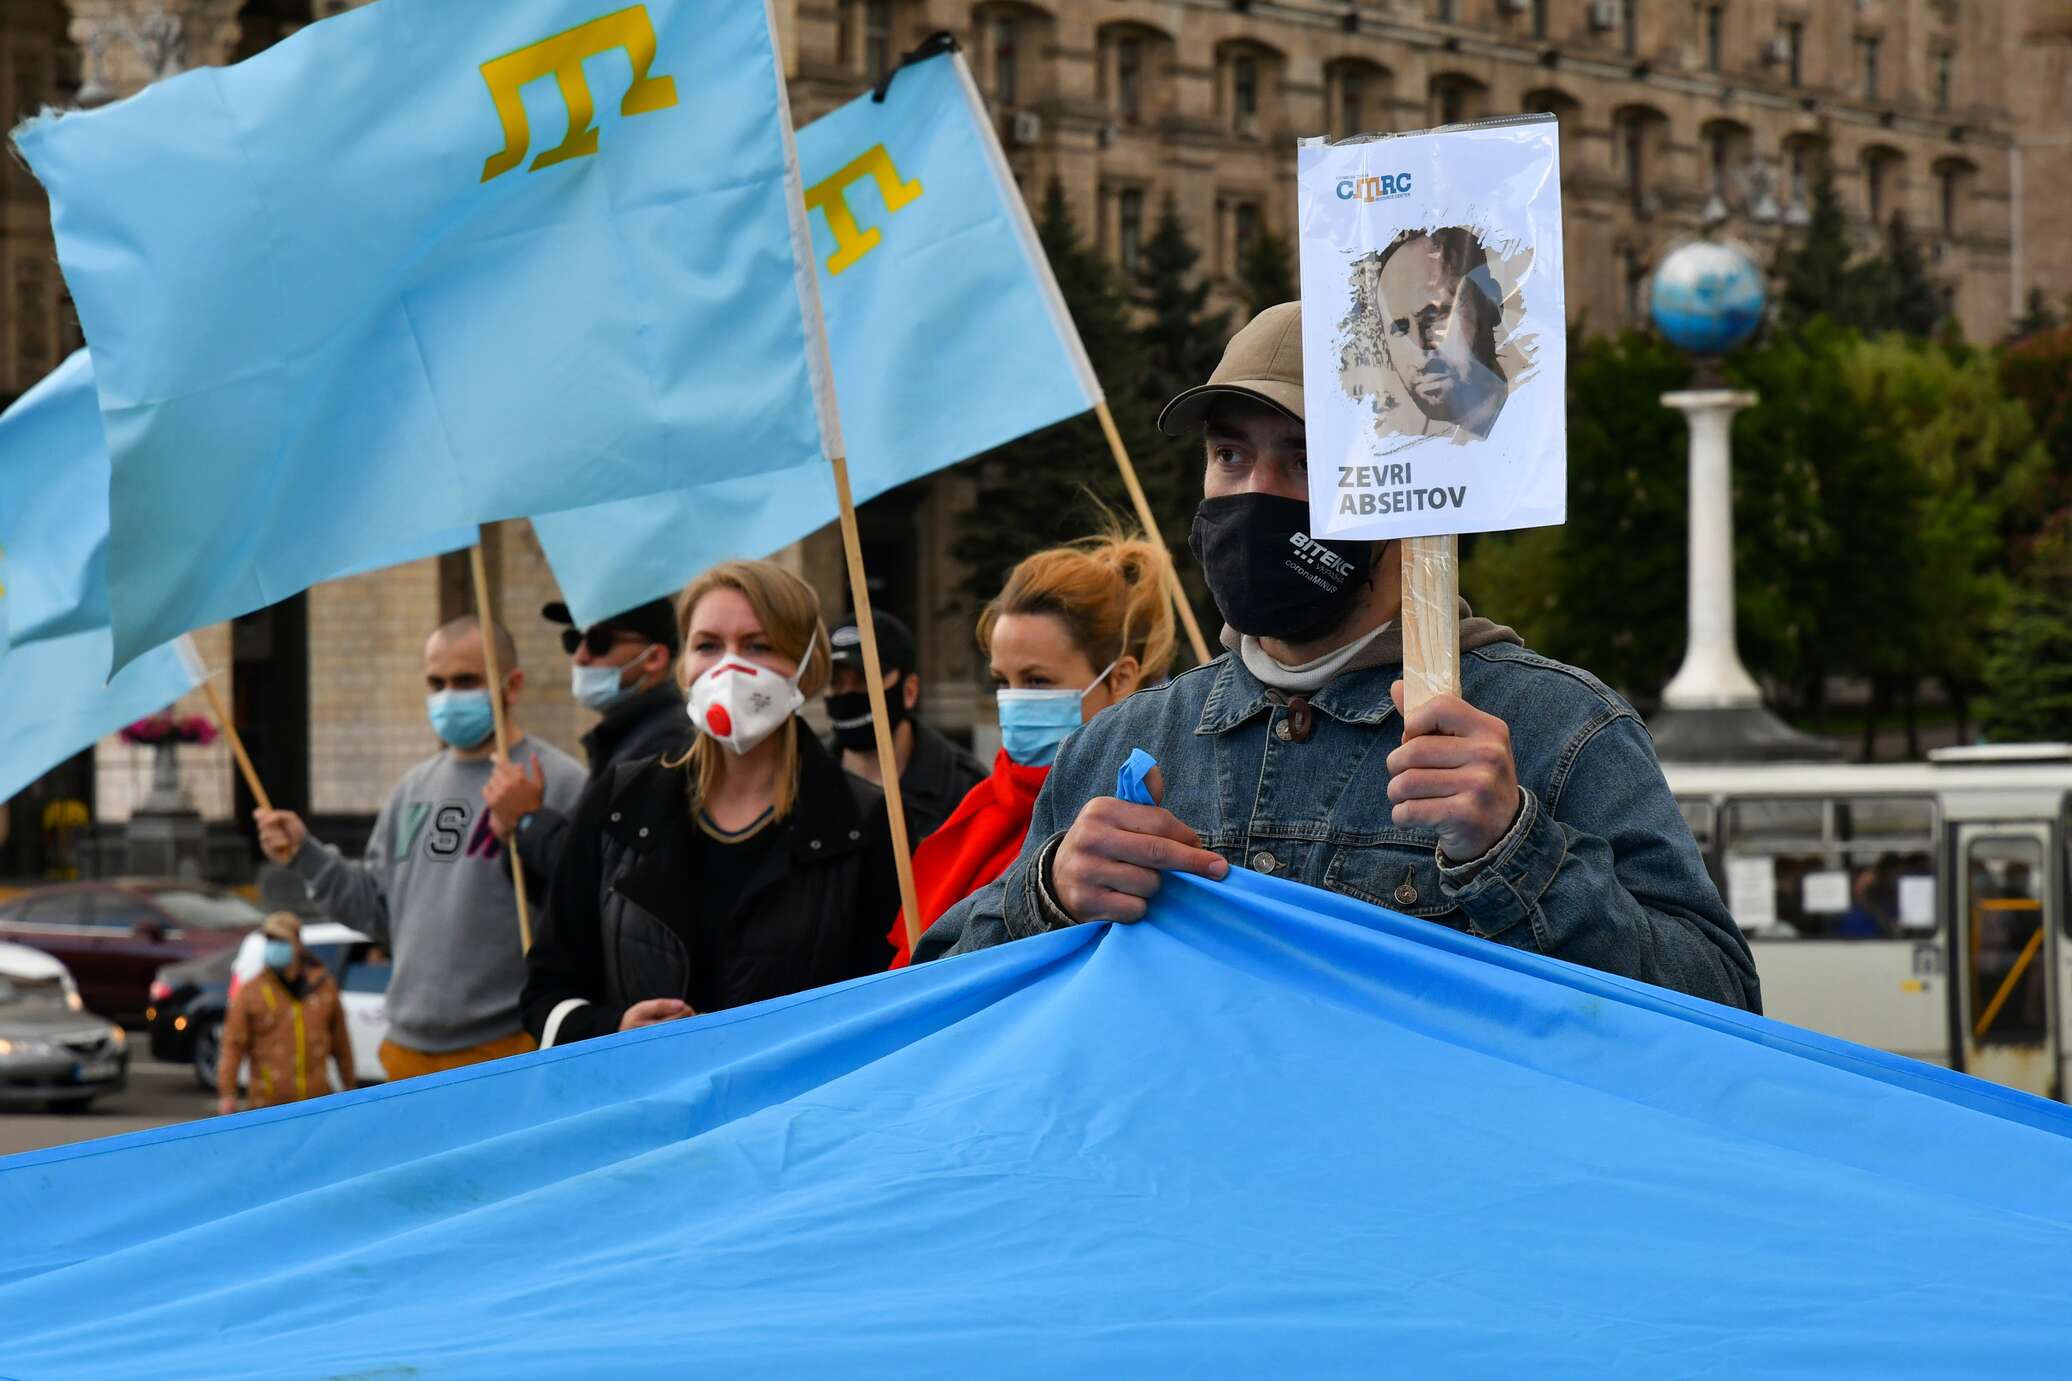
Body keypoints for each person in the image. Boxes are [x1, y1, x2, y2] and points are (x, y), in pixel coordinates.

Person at [915, 301, 1761, 1013]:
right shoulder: (1120, 743)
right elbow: (936, 998)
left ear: (1403, 482)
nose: (1255, 492)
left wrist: (1515, 847)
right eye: (1229, 455)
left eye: (1305, 459)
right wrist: (1050, 893)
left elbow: (1721, 1006)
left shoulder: (1557, 730)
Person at [521, 560, 902, 1047]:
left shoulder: (862, 822)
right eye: (707, 646)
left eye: (758, 646)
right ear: (683, 666)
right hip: (652, 1092)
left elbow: (885, 1008)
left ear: (807, 667)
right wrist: (613, 1029)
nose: (729, 668)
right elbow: (547, 988)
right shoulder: (620, 803)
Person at [254, 616, 585, 1080]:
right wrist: (304, 854)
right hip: (407, 1049)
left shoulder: (560, 783)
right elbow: (377, 910)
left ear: (512, 686)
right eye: (436, 683)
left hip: (510, 1049)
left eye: (466, 681)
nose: (448, 697)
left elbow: (585, 915)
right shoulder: (411, 789)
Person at [887, 532, 1178, 966]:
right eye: (1002, 681)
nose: (1014, 701)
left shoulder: (1154, 812)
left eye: (1037, 680)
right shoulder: (981, 807)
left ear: (1119, 679)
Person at [483, 597, 689, 881]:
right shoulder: (622, 739)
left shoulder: (665, 743)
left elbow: (600, 873)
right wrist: (515, 834)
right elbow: (560, 889)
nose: (579, 656)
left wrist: (528, 819)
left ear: (653, 658)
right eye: (573, 640)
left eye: (598, 642)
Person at [824, 611, 986, 841]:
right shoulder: (803, 779)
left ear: (909, 691)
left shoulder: (963, 787)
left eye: (864, 680)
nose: (847, 693)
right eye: (835, 682)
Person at [1364, 226, 1509, 441]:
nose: (1420, 346)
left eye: (1433, 317)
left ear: (1491, 304)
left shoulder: (1541, 423)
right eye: (1401, 329)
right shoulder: (1398, 447)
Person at [216, 912, 354, 1114]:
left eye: (281, 940)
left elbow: (341, 1044)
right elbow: (233, 1045)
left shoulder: (323, 987)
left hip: (316, 1106)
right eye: (270, 940)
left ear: (297, 944)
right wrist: (227, 1094)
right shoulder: (252, 992)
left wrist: (350, 1087)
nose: (274, 947)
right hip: (268, 1108)